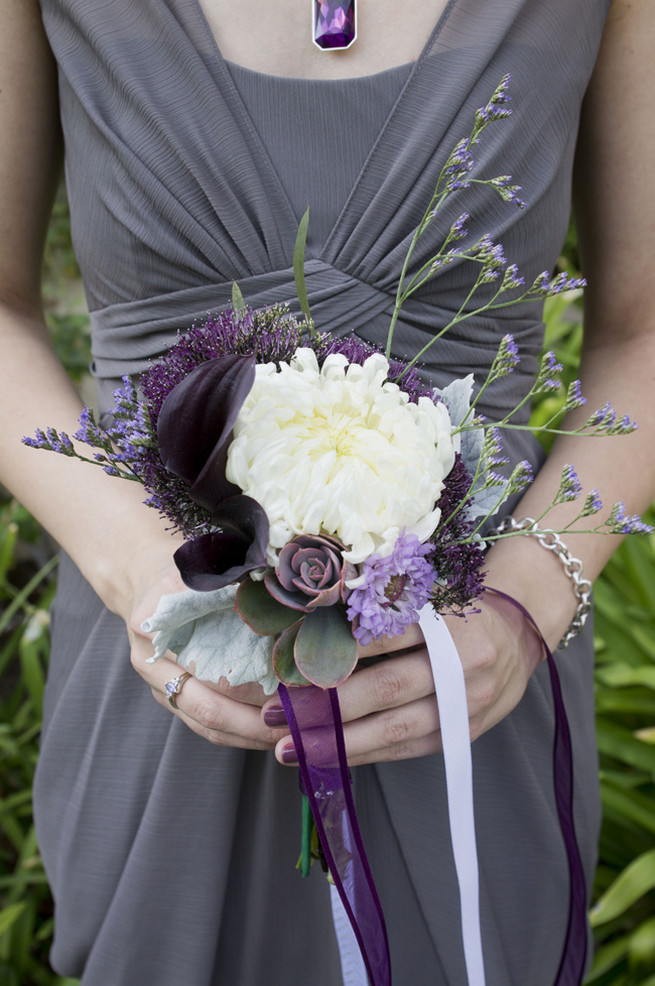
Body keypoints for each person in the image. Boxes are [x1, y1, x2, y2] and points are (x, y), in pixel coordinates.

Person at [1, 0, 654, 983]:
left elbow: (641, 334)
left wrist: (529, 599)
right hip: (167, 670)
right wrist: (144, 575)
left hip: (465, 682)